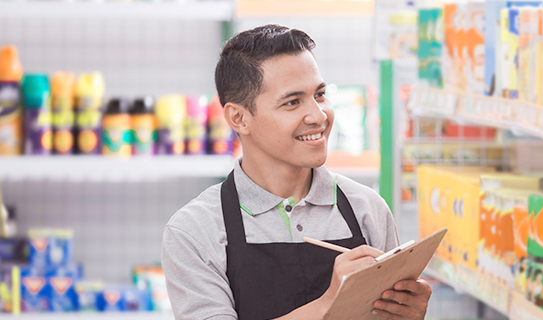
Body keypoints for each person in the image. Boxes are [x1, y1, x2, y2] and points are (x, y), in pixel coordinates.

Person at [161, 25, 432, 320]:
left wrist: (406, 313)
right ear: (238, 118)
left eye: (320, 94)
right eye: (292, 102)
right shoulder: (195, 230)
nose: (318, 116)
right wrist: (328, 303)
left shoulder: (367, 209)